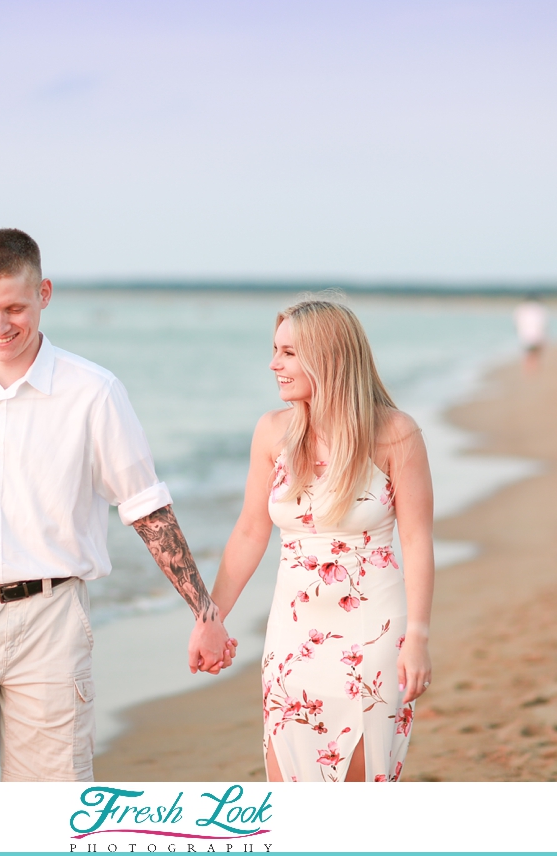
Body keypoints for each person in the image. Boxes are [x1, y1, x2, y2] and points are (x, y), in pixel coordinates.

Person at [0, 228, 235, 782]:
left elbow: (147, 508)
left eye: (14, 309)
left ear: (44, 293)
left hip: (51, 624)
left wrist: (205, 614)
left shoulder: (93, 391)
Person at [190, 296, 433, 783]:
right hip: (292, 638)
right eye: (275, 350)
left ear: (328, 357)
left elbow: (418, 539)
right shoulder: (273, 432)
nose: (274, 363)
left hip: (374, 634)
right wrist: (209, 618)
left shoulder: (395, 434)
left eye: (288, 352)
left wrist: (419, 638)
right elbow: (249, 532)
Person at [514, 298, 547, 371]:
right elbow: (543, 324)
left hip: (526, 336)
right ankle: (533, 368)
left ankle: (529, 369)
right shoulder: (539, 309)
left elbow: (517, 322)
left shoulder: (521, 309)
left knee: (528, 353)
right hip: (535, 335)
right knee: (534, 353)